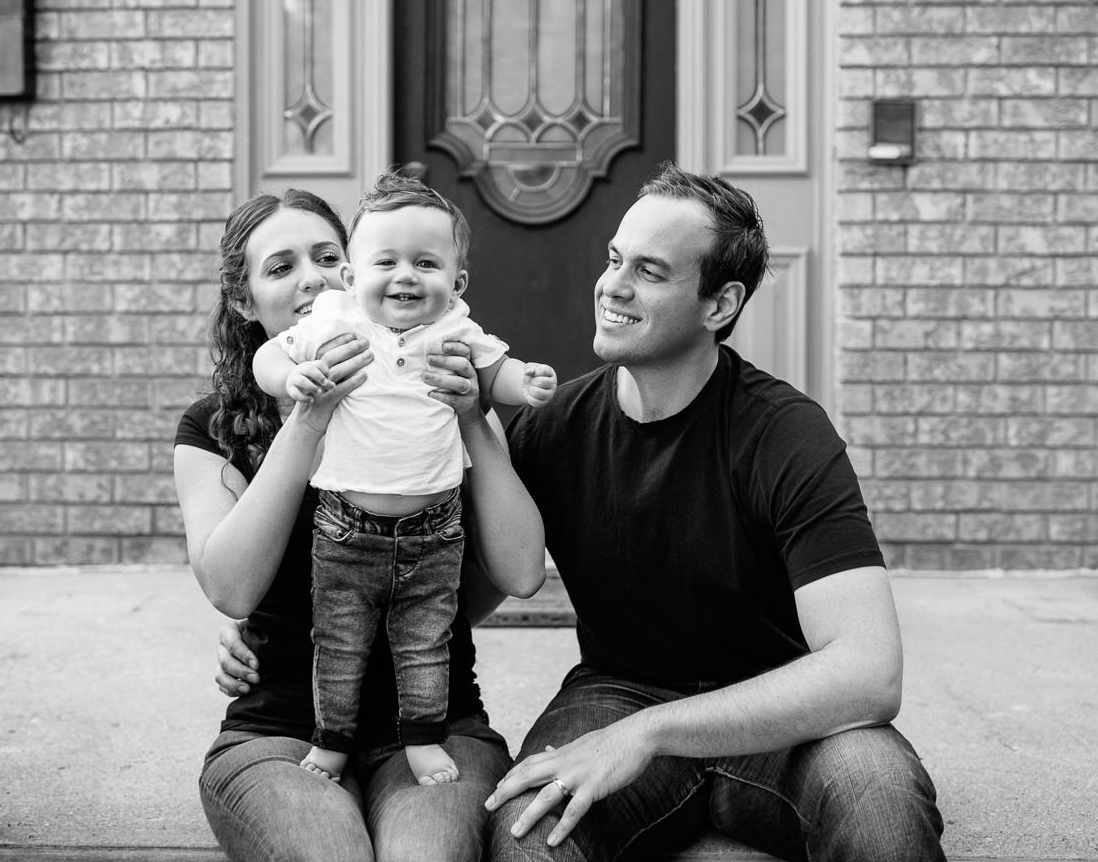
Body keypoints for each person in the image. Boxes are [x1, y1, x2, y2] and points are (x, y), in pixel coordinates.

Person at [217, 164, 946, 861]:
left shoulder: (785, 434)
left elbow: (868, 673)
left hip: (781, 712)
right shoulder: (555, 427)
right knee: (525, 834)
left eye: (649, 272)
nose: (612, 287)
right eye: (613, 259)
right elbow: (447, 588)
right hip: (613, 697)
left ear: (720, 305)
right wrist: (276, 634)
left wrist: (653, 733)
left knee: (880, 806)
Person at [175, 188, 545, 862]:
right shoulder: (210, 428)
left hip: (436, 727)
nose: (312, 277)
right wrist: (310, 414)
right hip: (279, 732)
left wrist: (469, 416)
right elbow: (230, 588)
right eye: (281, 268)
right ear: (244, 300)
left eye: (326, 255)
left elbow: (518, 573)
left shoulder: (441, 388)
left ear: (353, 273)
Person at [253, 173, 557, 787]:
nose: (405, 276)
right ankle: (332, 740)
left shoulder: (457, 331)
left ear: (457, 282)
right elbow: (269, 357)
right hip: (344, 528)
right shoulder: (335, 324)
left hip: (433, 531)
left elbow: (498, 371)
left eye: (426, 262)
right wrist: (294, 380)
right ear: (353, 275)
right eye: (385, 261)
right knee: (339, 642)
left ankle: (421, 737)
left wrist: (523, 384)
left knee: (425, 641)